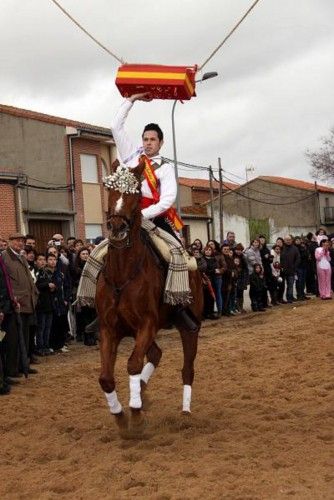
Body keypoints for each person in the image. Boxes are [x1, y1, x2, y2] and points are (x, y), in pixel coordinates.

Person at [111, 92, 178, 236]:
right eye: (145, 139)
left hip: (153, 219)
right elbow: (115, 127)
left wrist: (141, 214)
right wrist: (132, 100)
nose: (148, 143)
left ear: (161, 143)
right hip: (126, 216)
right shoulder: (131, 155)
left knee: (176, 251)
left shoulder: (165, 168)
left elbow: (167, 200)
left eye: (152, 140)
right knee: (101, 253)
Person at [1, 233, 38, 374]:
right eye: (17, 241)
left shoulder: (22, 257)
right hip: (15, 304)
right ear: (10, 242)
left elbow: (29, 278)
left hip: (28, 303)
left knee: (26, 337)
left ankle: (24, 365)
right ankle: (12, 369)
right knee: (13, 339)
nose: (20, 243)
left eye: (22, 241)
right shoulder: (4, 257)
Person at [280, 235, 300, 303]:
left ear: (291, 240)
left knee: (290, 285)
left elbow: (298, 258)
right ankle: (280, 299)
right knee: (281, 286)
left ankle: (289, 298)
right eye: (286, 240)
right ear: (284, 240)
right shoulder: (281, 248)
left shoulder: (295, 248)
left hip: (292, 270)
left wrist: (294, 267)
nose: (288, 241)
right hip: (282, 271)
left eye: (289, 239)